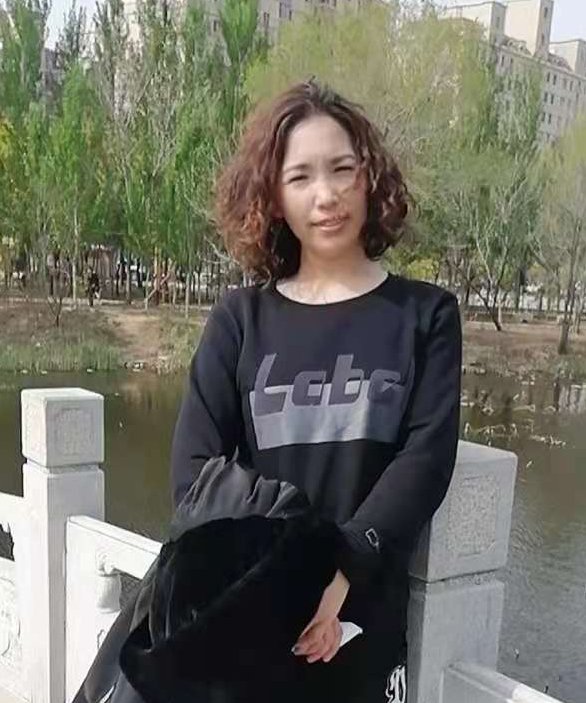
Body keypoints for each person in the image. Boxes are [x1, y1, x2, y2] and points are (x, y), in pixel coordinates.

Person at [170, 80, 462, 703]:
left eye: (342, 169)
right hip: (256, 628)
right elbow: (195, 474)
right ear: (274, 199)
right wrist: (297, 578)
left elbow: (426, 459)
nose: (326, 195)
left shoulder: (425, 317)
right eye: (299, 177)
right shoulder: (240, 320)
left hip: (362, 640)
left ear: (370, 178)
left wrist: (343, 569)